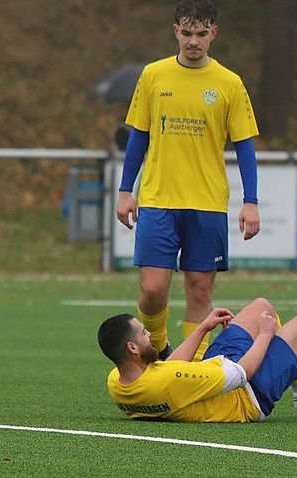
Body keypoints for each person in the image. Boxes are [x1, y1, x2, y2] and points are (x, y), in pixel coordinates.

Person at [116, 0, 261, 364]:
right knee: (151, 290)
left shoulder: (229, 83)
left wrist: (251, 200)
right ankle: (161, 350)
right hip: (158, 199)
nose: (193, 41)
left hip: (207, 202)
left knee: (199, 291)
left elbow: (244, 146)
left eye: (200, 33)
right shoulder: (153, 75)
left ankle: (189, 370)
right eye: (186, 33)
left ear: (213, 34)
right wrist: (124, 190)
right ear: (175, 32)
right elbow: (138, 137)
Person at [97, 298, 297, 422]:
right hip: (246, 394)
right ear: (133, 349)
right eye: (143, 335)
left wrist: (203, 330)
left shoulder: (118, 382)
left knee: (260, 307)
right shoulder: (164, 381)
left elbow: (168, 371)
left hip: (209, 378)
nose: (150, 337)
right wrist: (266, 334)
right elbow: (243, 371)